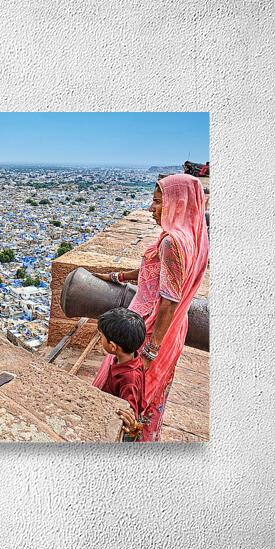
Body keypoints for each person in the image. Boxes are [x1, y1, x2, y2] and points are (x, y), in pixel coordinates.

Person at [92, 174, 209, 441]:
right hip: (173, 330)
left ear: (178, 204)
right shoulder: (193, 237)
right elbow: (157, 273)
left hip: (149, 328)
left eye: (158, 202)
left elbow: (169, 301)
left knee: (127, 392)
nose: (151, 209)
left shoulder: (171, 243)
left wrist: (148, 354)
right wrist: (117, 276)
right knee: (153, 395)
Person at [94, 307, 146, 442]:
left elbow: (129, 414)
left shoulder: (128, 379)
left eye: (101, 337)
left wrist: (132, 428)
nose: (100, 340)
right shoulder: (132, 357)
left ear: (113, 346)